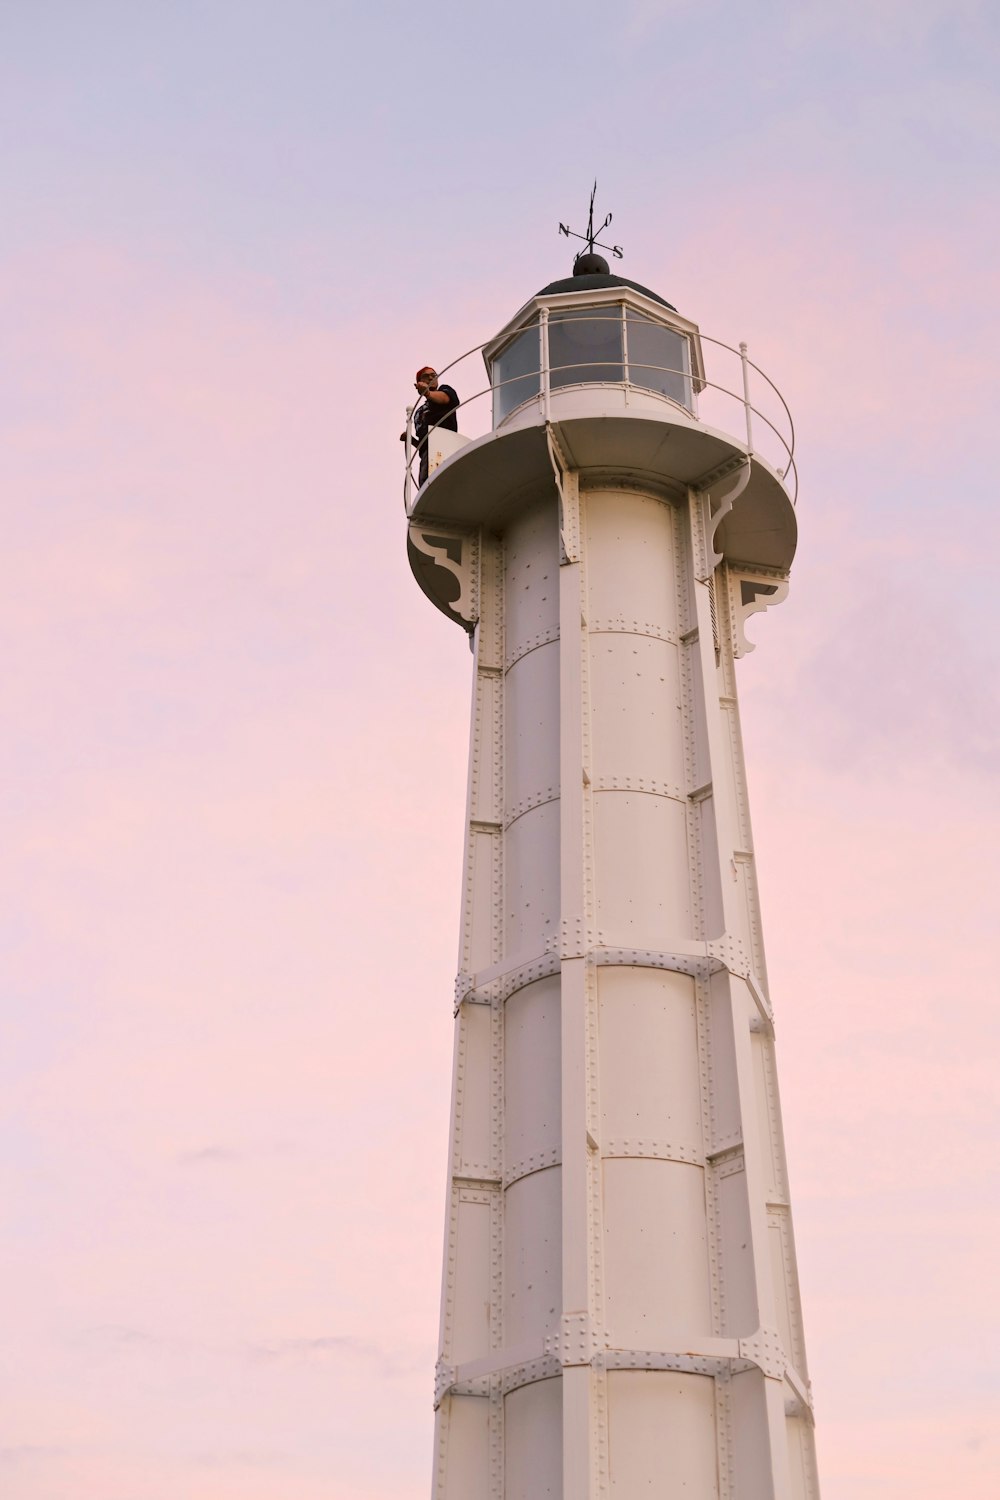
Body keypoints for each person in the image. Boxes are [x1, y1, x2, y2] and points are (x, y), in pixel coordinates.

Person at [401, 366, 460, 485]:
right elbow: (424, 443)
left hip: (446, 445)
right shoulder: (419, 412)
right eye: (426, 376)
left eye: (434, 375)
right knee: (426, 485)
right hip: (426, 457)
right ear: (418, 383)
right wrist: (411, 440)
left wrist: (427, 393)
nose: (431, 377)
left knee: (447, 484)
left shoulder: (445, 390)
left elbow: (445, 399)